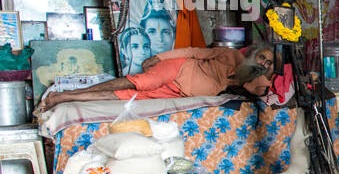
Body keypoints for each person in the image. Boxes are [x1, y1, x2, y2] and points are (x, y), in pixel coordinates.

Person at [37, 44, 276, 112]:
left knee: (126, 97)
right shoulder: (230, 54)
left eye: (268, 63)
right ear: (253, 53)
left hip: (179, 92)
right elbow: (192, 51)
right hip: (179, 69)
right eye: (262, 57)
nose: (263, 63)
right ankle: (72, 93)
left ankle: (63, 97)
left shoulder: (254, 79)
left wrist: (265, 74)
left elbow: (265, 93)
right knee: (140, 82)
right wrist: (160, 57)